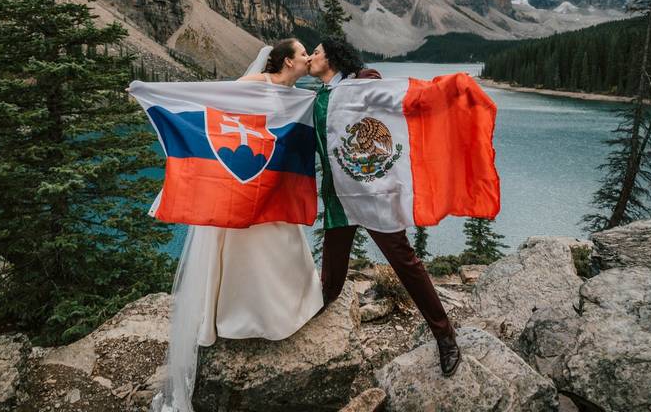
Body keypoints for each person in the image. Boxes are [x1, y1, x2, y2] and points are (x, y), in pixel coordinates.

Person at [154, 38, 323, 412]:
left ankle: (284, 309)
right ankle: (241, 316)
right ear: (284, 62)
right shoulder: (256, 84)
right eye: (302, 53)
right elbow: (217, 104)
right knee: (250, 249)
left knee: (281, 241)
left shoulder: (300, 97)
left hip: (273, 189)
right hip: (246, 190)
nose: (308, 57)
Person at [308, 38, 462, 376]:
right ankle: (321, 306)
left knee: (404, 261)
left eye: (316, 52)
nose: (310, 56)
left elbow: (393, 96)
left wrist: (448, 90)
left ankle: (444, 333)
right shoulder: (318, 97)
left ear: (331, 58)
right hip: (339, 196)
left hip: (373, 194)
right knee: (332, 271)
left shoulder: (360, 84)